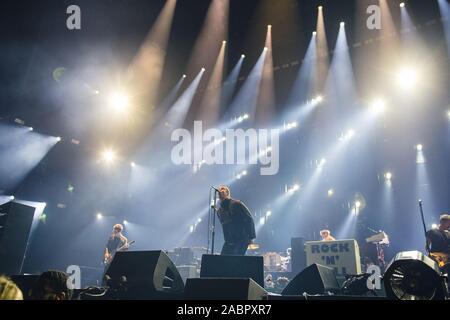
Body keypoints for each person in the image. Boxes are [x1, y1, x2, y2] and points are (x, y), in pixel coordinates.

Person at [216, 186, 256, 255]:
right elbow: (224, 226)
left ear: (227, 193)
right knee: (223, 260)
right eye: (219, 192)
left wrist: (251, 236)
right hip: (229, 240)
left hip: (241, 238)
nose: (220, 192)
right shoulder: (219, 211)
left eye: (222, 191)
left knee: (236, 260)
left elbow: (249, 218)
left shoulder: (236, 204)